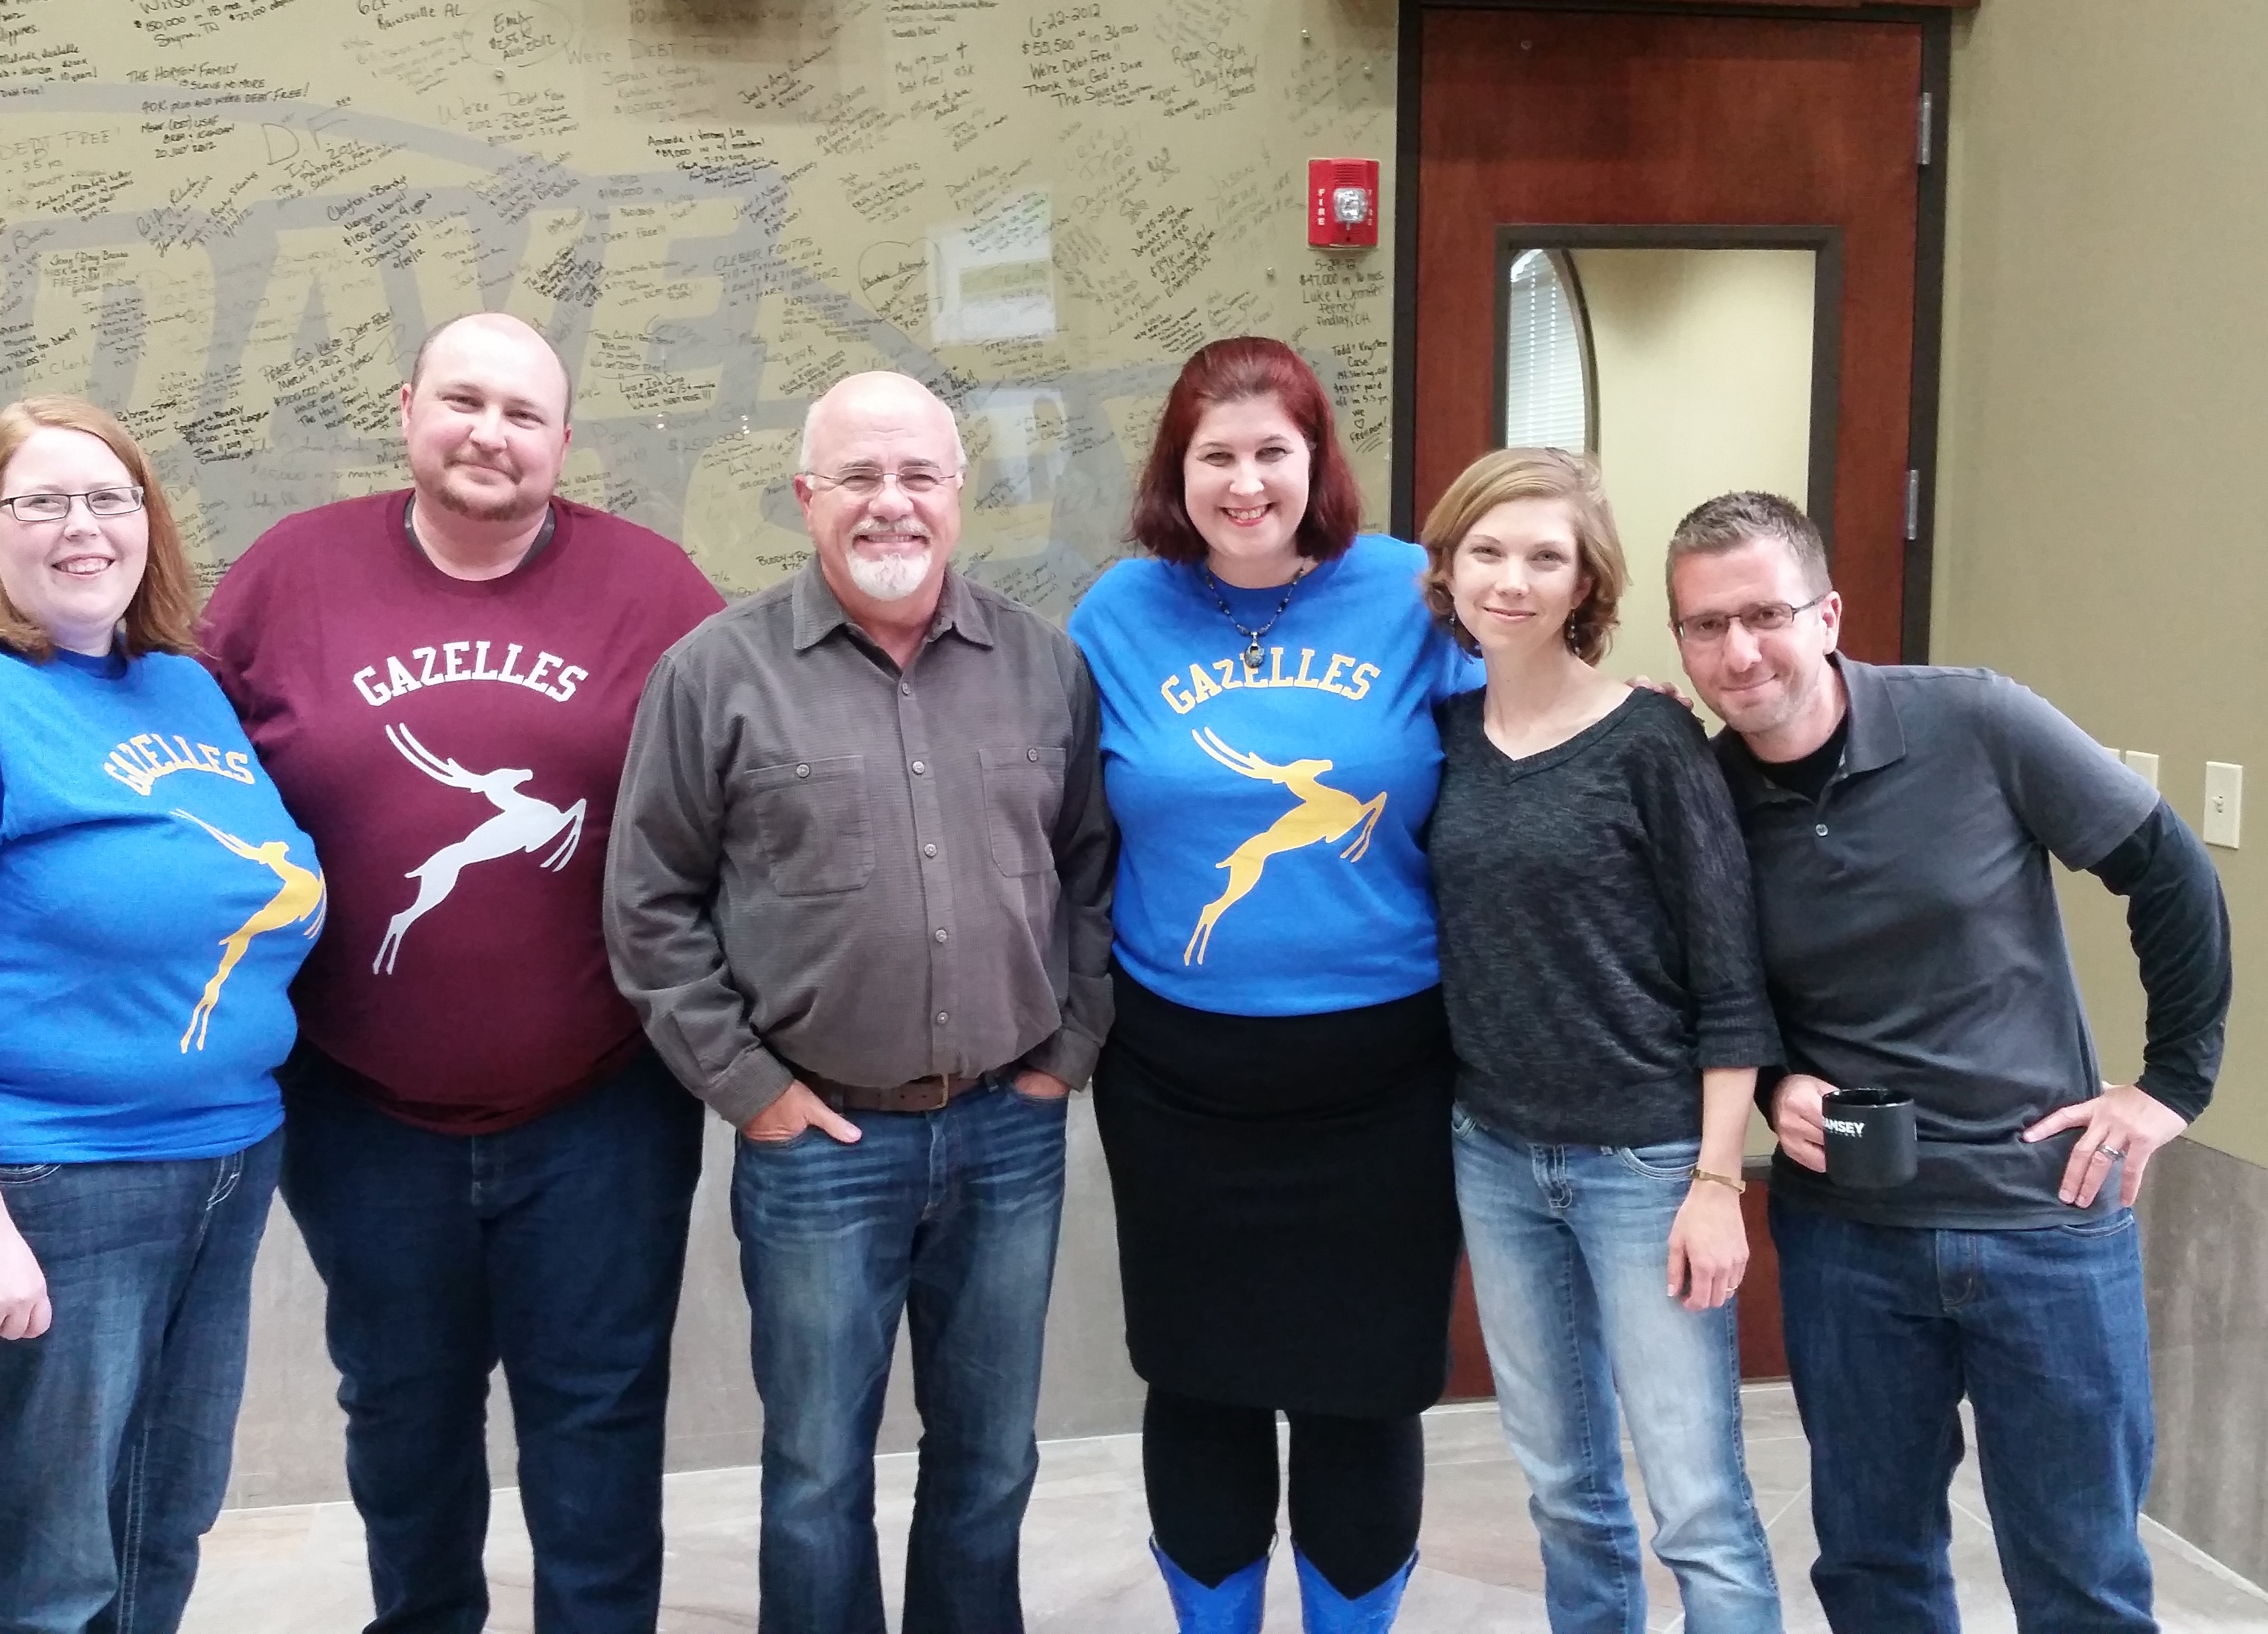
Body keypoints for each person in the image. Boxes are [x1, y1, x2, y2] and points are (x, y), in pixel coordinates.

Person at [197, 312, 725, 1633]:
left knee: (599, 1415)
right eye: (463, 401)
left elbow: (748, 788)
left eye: (523, 414)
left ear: (564, 441)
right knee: (401, 1411)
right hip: (359, 1106)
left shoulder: (656, 591)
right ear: (407, 411)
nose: (490, 434)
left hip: (603, 1105)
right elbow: (181, 772)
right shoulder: (290, 575)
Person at [1666, 490, 2231, 1633]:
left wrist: (2170, 1087)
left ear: (1828, 615)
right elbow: (1710, 990)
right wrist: (1776, 1084)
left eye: (1767, 615)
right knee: (1873, 1566)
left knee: (2082, 1576)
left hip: (2044, 1221)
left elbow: (2170, 872)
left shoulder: (1976, 721)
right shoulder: (1702, 797)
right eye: (1707, 626)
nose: (1741, 652)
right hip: (1851, 1241)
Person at [606, 370, 1114, 1634]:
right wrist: (753, 1093)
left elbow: (1093, 870)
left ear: (959, 494)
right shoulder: (712, 675)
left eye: (919, 476)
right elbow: (649, 906)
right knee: (816, 1474)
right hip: (817, 1142)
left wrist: (1067, 1051)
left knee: (989, 1458)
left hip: (1008, 1128)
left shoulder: (1043, 666)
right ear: (805, 497)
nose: (892, 503)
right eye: (860, 477)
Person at [0, 395, 315, 1634]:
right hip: (38, 1178)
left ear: (148, 522)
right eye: (41, 501)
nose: (82, 527)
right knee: (43, 1571)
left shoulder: (182, 690)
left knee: (155, 1526)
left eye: (108, 498)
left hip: (216, 1162)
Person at [1064, 337, 1479, 1634]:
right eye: (1216, 457)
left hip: (1387, 1082)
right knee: (1200, 1380)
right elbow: (1062, 820)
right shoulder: (1115, 614)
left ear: (1317, 461)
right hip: (1178, 1082)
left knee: (1365, 1388)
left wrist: (1623, 709)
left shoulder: (1414, 591)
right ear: (1174, 471)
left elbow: (1517, 752)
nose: (1245, 484)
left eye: (1271, 453)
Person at [1418, 449, 1784, 1633]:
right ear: (1448, 568)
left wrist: (1717, 1182)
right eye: (1487, 551)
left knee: (1697, 1504)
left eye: (1545, 557)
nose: (1511, 580)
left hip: (1647, 1166)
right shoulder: (1440, 736)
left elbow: (1730, 978)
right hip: (1496, 1155)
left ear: (1586, 583)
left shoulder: (1651, 742)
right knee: (1565, 1490)